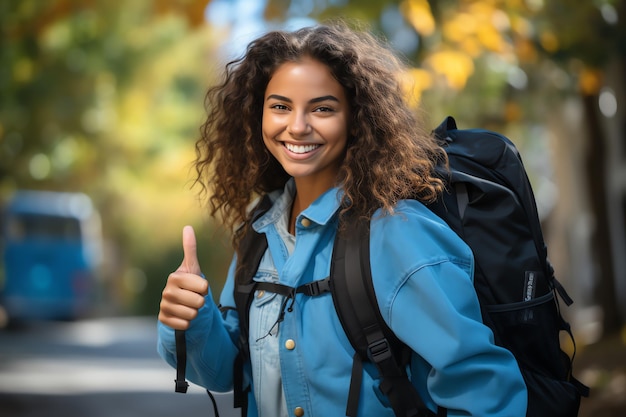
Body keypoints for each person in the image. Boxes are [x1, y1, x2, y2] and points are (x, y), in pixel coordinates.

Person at [157, 22, 527, 417]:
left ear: (356, 118)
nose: (297, 126)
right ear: (256, 114)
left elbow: (483, 390)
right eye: (280, 106)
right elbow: (230, 369)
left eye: (322, 108)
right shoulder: (260, 228)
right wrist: (192, 321)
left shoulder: (397, 231)